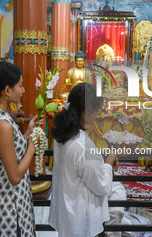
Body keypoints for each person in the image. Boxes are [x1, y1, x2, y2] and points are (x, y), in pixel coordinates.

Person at [50, 82, 118, 237]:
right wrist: (109, 161)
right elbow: (101, 186)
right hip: (81, 216)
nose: (97, 115)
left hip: (67, 210)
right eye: (96, 111)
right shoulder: (83, 145)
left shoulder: (63, 132)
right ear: (86, 111)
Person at [0, 61, 41, 236]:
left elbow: (8, 153)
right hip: (8, 204)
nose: (23, 90)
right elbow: (14, 176)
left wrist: (27, 133)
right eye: (20, 86)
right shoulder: (2, 124)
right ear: (7, 90)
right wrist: (32, 146)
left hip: (11, 198)